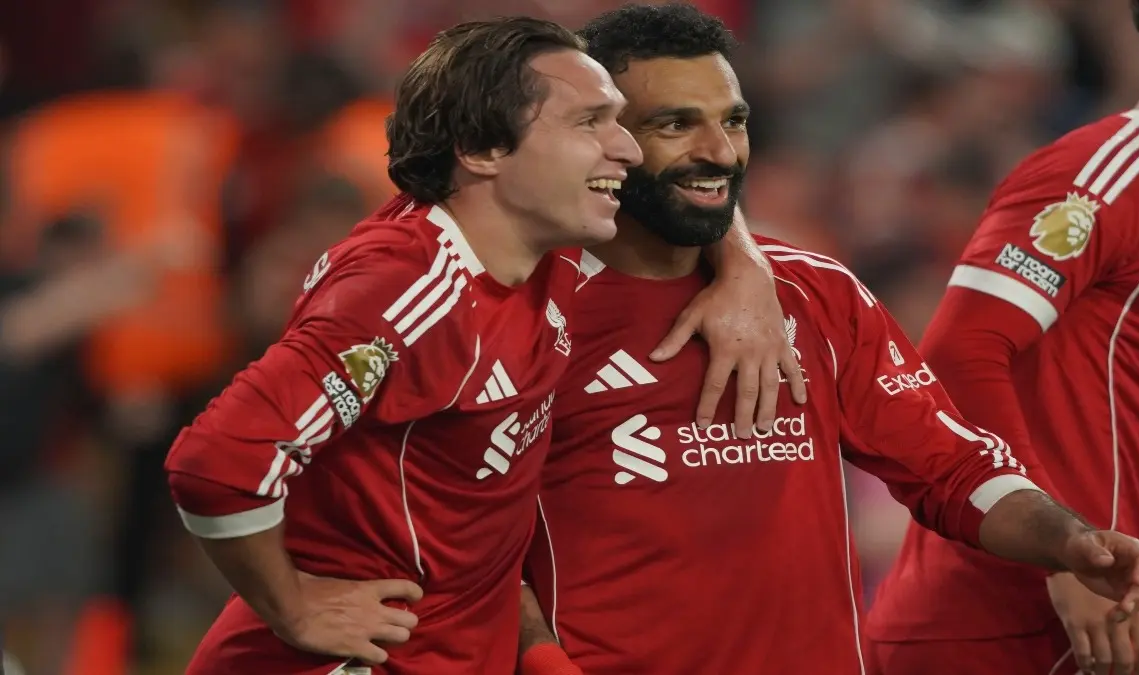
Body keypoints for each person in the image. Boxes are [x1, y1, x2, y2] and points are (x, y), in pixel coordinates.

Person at [512, 5, 1139, 675]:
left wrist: (1071, 540)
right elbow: (467, 543)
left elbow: (953, 466)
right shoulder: (525, 312)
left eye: (733, 121)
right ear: (602, 138)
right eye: (675, 123)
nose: (719, 151)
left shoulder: (817, 294)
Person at [164, 16, 801, 675]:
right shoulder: (406, 292)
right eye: (589, 123)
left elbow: (695, 182)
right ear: (482, 149)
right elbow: (219, 462)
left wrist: (743, 264)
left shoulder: (541, 243)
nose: (629, 150)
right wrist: (293, 606)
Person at [865, 2, 1139, 674]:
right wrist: (1062, 546)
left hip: (1088, 625)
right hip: (983, 625)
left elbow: (1122, 420)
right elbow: (961, 352)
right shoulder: (1111, 172)